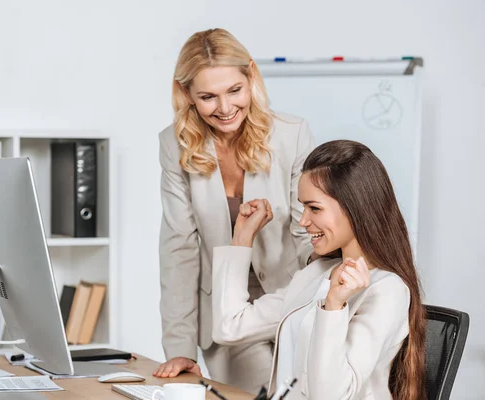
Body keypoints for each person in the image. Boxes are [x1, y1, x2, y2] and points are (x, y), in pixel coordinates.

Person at [153, 27, 315, 393]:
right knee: (265, 387)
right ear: (186, 95)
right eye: (208, 97)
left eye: (234, 91)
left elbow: (307, 233)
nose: (225, 109)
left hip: (288, 302)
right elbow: (179, 248)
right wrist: (179, 348)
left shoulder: (291, 134)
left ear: (251, 76)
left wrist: (319, 304)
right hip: (227, 314)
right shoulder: (174, 145)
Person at [212, 140, 426, 399]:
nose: (303, 220)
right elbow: (230, 326)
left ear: (354, 208)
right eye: (303, 206)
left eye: (314, 208)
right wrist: (242, 240)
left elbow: (330, 395)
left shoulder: (387, 290)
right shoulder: (316, 274)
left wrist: (333, 306)